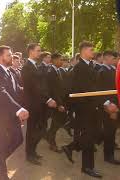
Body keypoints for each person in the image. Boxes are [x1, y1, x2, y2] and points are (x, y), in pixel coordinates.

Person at [62, 41, 104, 178]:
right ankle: (87, 167)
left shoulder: (90, 65)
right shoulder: (79, 68)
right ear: (84, 51)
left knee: (91, 136)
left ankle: (70, 147)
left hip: (92, 108)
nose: (94, 52)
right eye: (91, 50)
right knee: (89, 138)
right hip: (84, 109)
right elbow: (80, 90)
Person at [0, 46, 29, 180]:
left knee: (18, 139)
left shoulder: (10, 72)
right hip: (0, 116)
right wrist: (19, 109)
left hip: (12, 114)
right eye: (9, 55)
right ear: (0, 57)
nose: (12, 57)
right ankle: (2, 175)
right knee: (2, 144)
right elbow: (1, 92)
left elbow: (16, 91)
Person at [21, 43, 57, 165]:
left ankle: (33, 151)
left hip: (40, 104)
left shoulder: (36, 66)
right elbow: (34, 87)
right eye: (38, 50)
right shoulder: (27, 67)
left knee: (40, 129)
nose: (40, 53)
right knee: (31, 130)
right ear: (31, 51)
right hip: (33, 105)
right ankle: (29, 154)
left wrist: (47, 98)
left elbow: (42, 85)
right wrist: (47, 99)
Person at [96, 51, 120, 165]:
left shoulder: (112, 69)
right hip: (109, 107)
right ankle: (108, 156)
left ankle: (110, 151)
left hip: (115, 106)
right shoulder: (102, 71)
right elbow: (101, 92)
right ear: (106, 57)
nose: (115, 59)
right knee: (109, 132)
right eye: (113, 57)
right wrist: (109, 107)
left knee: (112, 131)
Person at [45, 53, 67, 152]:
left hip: (59, 101)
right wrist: (59, 104)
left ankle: (49, 137)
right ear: (54, 60)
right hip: (55, 103)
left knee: (57, 123)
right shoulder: (51, 71)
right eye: (60, 59)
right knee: (55, 123)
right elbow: (53, 90)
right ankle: (52, 143)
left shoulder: (57, 70)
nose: (62, 61)